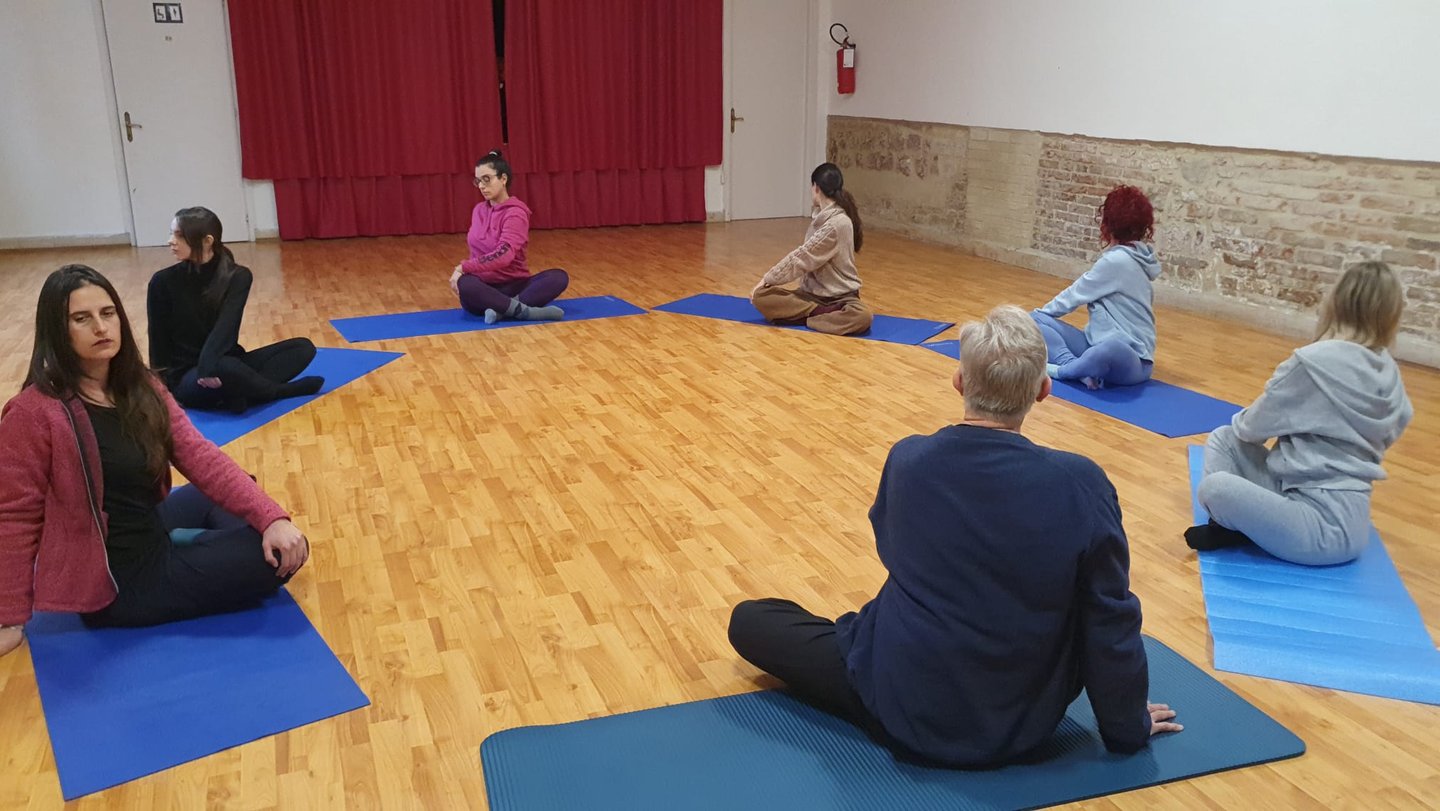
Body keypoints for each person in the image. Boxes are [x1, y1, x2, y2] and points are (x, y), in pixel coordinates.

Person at [728, 305, 1179, 767]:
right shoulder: (1082, 482)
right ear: (1044, 391)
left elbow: (891, 548)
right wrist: (1127, 728)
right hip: (1023, 725)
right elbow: (1109, 617)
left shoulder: (909, 460)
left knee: (750, 619)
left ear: (959, 382)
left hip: (899, 699)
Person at [0, 265, 311, 658]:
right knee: (271, 558)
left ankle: (198, 545)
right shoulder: (33, 413)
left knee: (245, 499)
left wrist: (272, 517)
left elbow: (200, 457)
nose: (101, 327)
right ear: (57, 331)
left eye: (107, 313)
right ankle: (201, 550)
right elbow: (13, 515)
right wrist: (8, 617)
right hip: (119, 579)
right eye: (82, 319)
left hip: (151, 525)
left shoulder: (140, 386)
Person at [1188, 261, 1413, 565]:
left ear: (1337, 302)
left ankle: (1234, 526)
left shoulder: (1313, 363)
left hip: (1319, 530)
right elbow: (1399, 422)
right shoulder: (1389, 370)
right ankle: (1248, 525)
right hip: (1351, 523)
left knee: (1215, 485)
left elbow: (1249, 429)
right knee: (1222, 439)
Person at [149, 206, 322, 413]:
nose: (171, 240)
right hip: (188, 377)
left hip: (223, 363)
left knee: (303, 348)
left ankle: (238, 394)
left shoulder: (237, 276)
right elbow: (157, 338)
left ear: (207, 241)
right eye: (171, 233)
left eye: (179, 235)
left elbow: (226, 329)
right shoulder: (162, 281)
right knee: (226, 368)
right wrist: (162, 388)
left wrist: (208, 366)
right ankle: (278, 392)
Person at [1031, 185, 1161, 389]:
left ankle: (1062, 371)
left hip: (1134, 362)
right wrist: (1035, 320)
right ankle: (1078, 369)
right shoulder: (1133, 257)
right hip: (1095, 343)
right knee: (1033, 320)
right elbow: (1075, 294)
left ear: (1107, 223)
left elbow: (1073, 296)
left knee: (1108, 349)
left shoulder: (1118, 261)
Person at [750, 163, 873, 336]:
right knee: (762, 297)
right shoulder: (820, 217)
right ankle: (820, 313)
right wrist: (766, 283)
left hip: (841, 298)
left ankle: (812, 315)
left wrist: (767, 278)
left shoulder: (837, 224)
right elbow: (803, 256)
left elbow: (802, 258)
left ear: (816, 187)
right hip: (811, 296)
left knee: (862, 317)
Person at [449, 150, 569, 323]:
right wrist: (465, 273)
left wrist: (463, 267)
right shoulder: (478, 210)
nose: (481, 186)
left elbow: (504, 255)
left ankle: (502, 311)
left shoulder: (516, 213)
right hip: (483, 289)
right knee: (466, 284)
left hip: (515, 286)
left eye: (487, 179)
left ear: (503, 179)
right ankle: (523, 311)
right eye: (478, 181)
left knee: (558, 277)